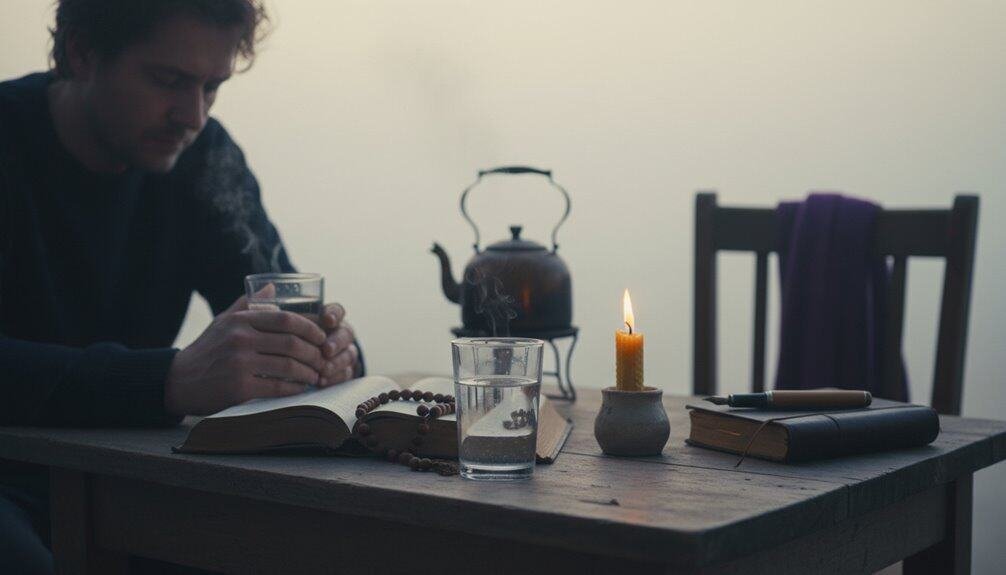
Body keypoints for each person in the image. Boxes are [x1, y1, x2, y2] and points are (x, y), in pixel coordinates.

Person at [0, 1, 362, 572]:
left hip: (125, 481)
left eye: (212, 87)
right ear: (81, 53)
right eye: (168, 81)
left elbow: (279, 305)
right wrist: (166, 380)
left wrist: (327, 354)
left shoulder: (204, 158)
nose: (192, 116)